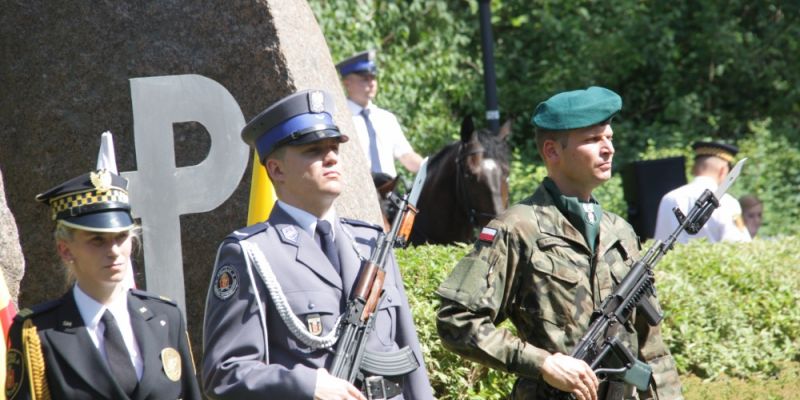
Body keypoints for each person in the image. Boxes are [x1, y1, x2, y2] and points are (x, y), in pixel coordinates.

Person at [435, 87, 683, 400]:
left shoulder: (620, 231)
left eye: (609, 137)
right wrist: (544, 363)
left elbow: (652, 350)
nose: (608, 149)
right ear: (552, 151)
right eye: (593, 140)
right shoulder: (518, 228)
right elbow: (456, 320)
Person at [201, 89, 433, 400]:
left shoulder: (370, 242)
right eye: (313, 150)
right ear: (277, 169)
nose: (332, 157)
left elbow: (409, 356)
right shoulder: (252, 253)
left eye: (334, 147)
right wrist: (307, 386)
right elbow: (225, 373)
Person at [5, 169, 201, 400]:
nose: (114, 251)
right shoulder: (38, 333)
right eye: (97, 240)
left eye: (121, 237)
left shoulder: (165, 318)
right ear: (65, 249)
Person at [337, 50, 423, 178]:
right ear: (347, 83)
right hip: (356, 192)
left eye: (373, 78)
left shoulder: (386, 119)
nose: (371, 83)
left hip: (388, 193)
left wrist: (434, 167)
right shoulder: (340, 118)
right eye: (365, 79)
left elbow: (407, 157)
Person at [653, 142, 751, 243]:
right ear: (723, 170)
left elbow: (659, 243)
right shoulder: (728, 203)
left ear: (693, 168)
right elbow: (739, 243)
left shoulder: (669, 198)